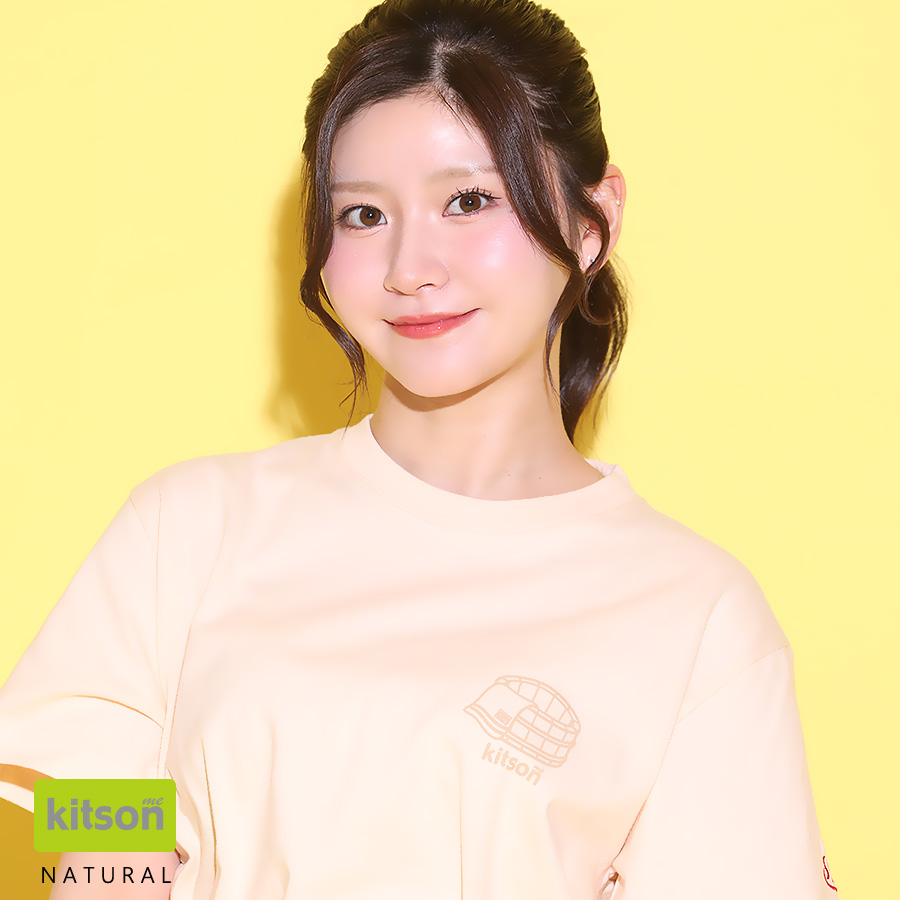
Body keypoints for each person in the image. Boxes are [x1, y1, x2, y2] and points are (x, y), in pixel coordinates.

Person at [0, 0, 837, 897]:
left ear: (593, 222)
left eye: (468, 201)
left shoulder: (695, 616)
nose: (409, 268)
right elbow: (78, 811)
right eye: (363, 214)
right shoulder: (192, 528)